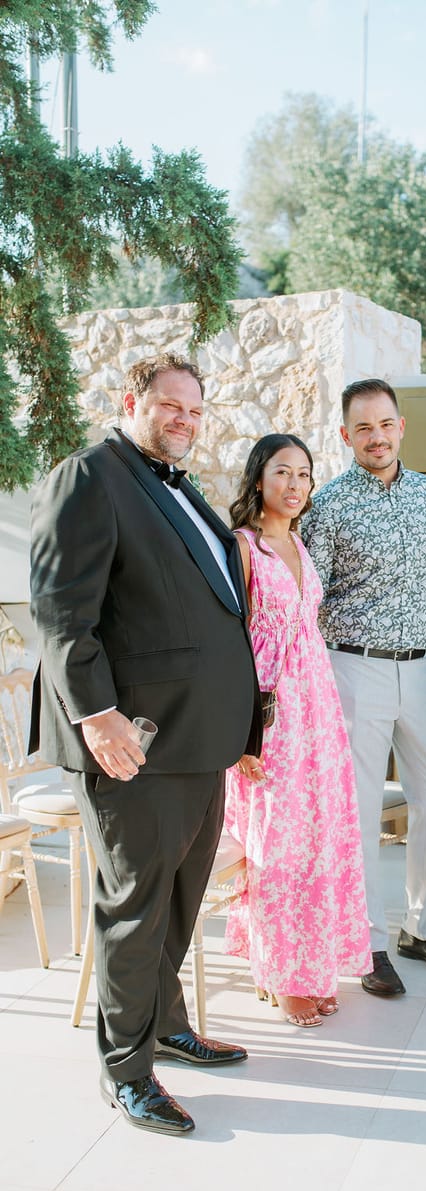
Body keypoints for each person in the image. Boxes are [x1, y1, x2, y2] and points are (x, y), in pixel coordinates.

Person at [28, 353, 262, 1136]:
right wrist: (98, 717)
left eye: (195, 410)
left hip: (201, 740)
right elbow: (63, 613)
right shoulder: (89, 477)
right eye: (169, 406)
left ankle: (166, 1025)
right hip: (137, 741)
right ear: (132, 401)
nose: (183, 421)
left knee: (179, 898)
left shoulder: (182, 486)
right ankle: (126, 1071)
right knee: (133, 907)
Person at [302, 378, 426, 996]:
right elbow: (307, 594)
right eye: (363, 428)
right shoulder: (326, 504)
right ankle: (366, 942)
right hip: (354, 666)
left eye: (385, 424)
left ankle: (420, 927)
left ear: (401, 427)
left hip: (424, 666)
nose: (376, 437)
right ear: (346, 436)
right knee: (361, 812)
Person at [224, 434, 372, 1026]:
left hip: (317, 708)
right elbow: (232, 642)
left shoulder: (300, 543)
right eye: (282, 472)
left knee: (317, 838)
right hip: (270, 713)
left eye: (305, 475)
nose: (294, 485)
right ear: (259, 478)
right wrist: (243, 734)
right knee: (277, 845)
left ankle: (310, 965)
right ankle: (282, 974)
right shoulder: (243, 546)